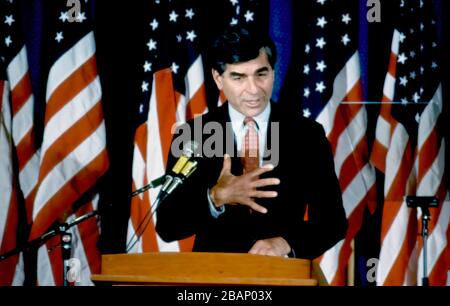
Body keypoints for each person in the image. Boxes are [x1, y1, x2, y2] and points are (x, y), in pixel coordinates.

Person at [155, 28, 347, 259]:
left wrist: (286, 242)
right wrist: (215, 197)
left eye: (261, 74)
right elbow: (167, 225)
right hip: (212, 280)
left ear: (273, 73)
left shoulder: (307, 135)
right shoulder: (193, 135)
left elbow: (333, 222)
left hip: (280, 278)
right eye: (238, 77)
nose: (254, 89)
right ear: (218, 78)